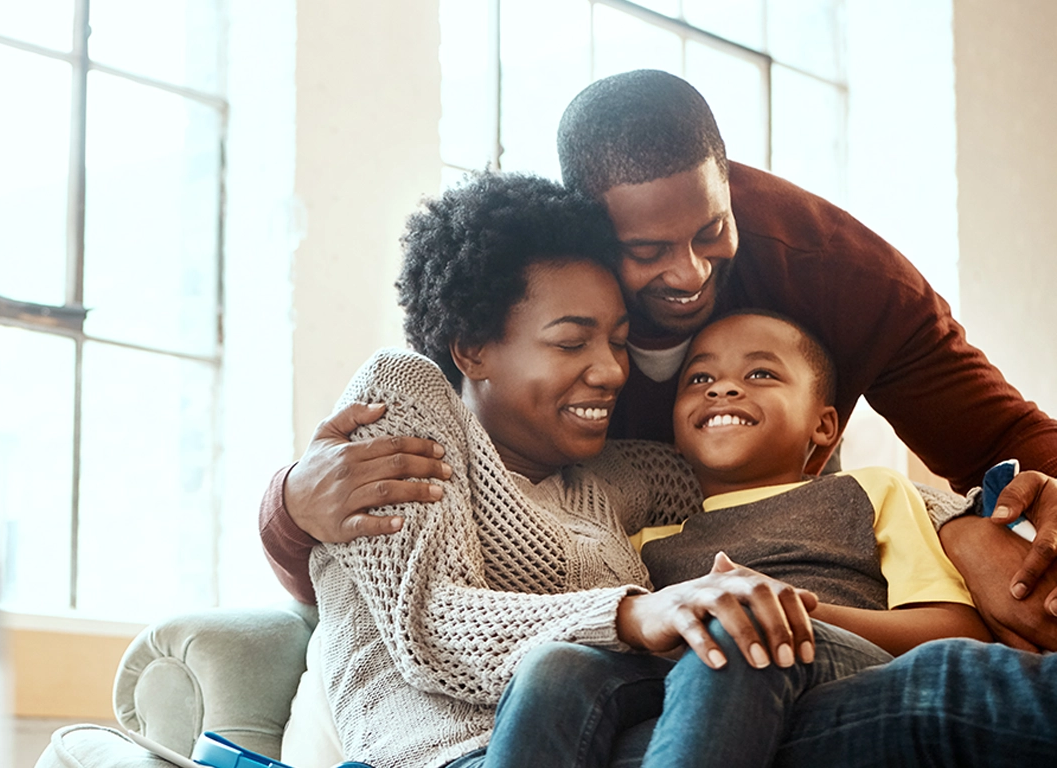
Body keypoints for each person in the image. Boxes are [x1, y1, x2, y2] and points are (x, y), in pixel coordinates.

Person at [263, 69, 1057, 649]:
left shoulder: (842, 276)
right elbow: (401, 571)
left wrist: (968, 527)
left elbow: (1005, 441)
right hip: (671, 638)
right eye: (646, 250)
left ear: (728, 189)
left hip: (809, 597)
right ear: (591, 233)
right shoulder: (512, 321)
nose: (688, 272)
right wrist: (290, 508)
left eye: (712, 231)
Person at [300, 171, 832, 768]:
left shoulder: (609, 477)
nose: (610, 371)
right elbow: (431, 624)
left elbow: (748, 473)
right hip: (456, 755)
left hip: (622, 739)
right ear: (471, 348)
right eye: (572, 343)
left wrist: (945, 513)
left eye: (619, 342)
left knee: (929, 695)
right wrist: (633, 613)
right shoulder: (405, 399)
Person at [479, 310, 990, 768]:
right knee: (556, 665)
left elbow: (957, 631)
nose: (721, 389)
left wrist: (791, 611)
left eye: (760, 374)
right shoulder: (643, 542)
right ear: (676, 430)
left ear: (824, 425)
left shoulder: (868, 490)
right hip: (695, 695)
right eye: (699, 377)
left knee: (738, 622)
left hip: (839, 665)